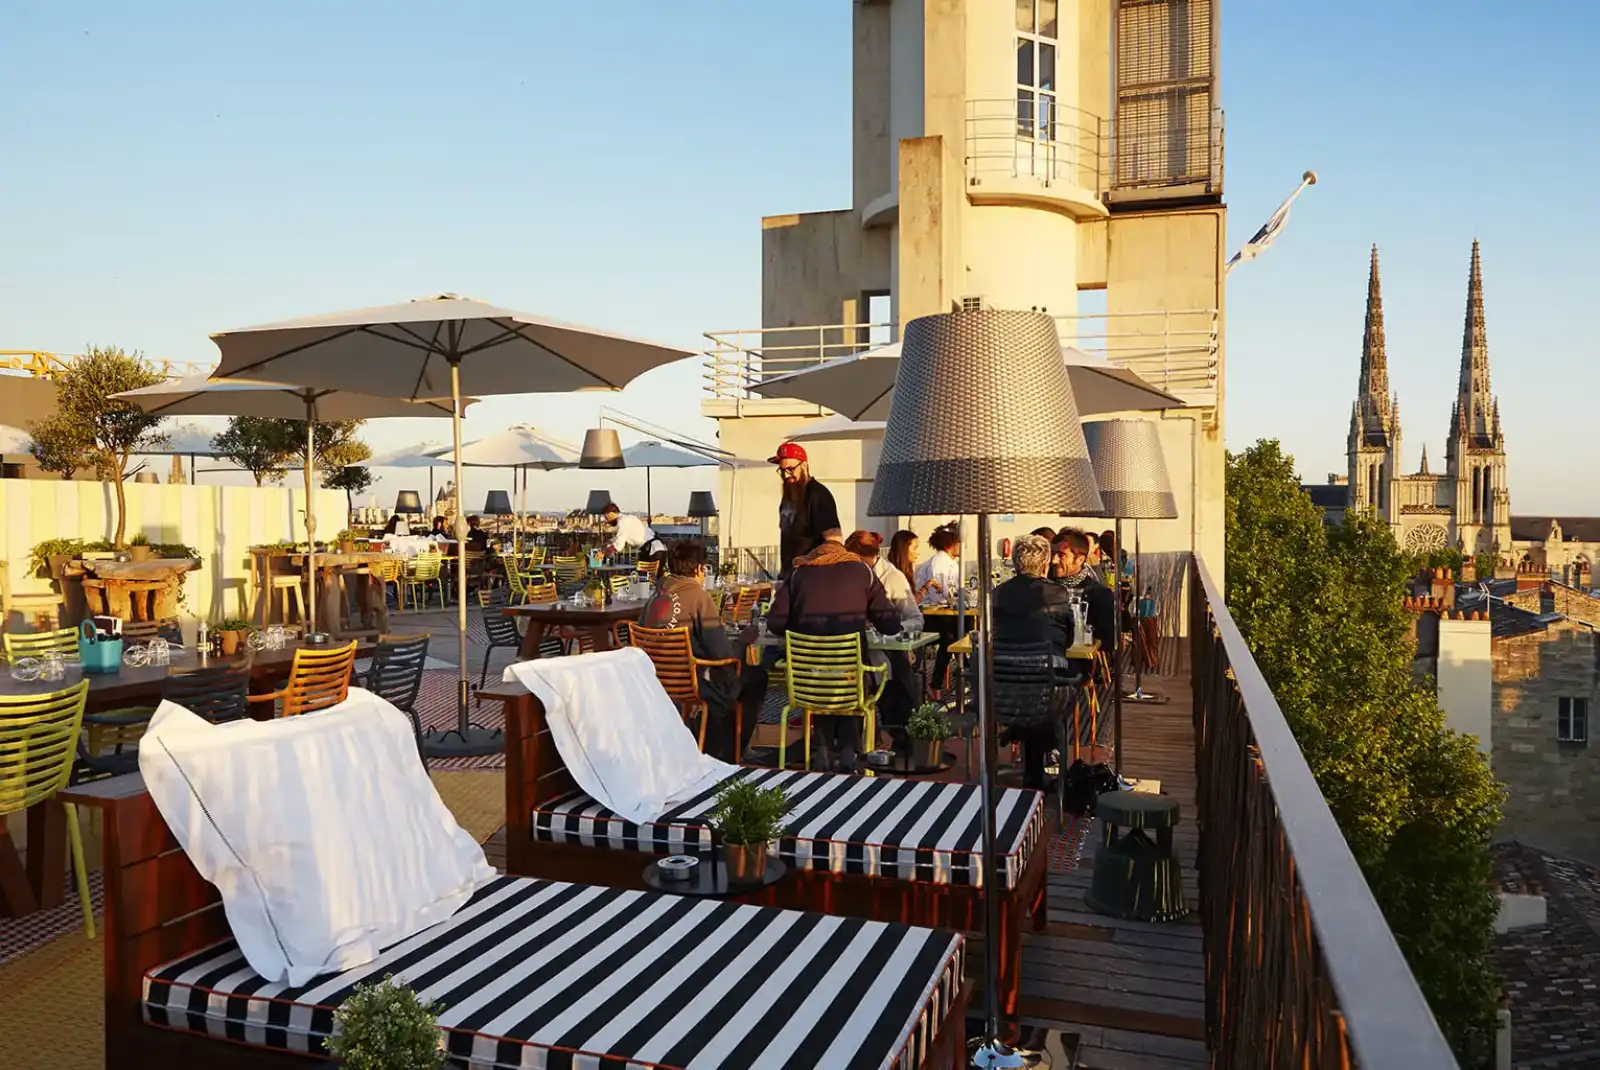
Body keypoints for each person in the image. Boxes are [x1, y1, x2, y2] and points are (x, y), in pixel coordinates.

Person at [765, 530, 900, 771]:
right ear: (846, 552)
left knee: (822, 679)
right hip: (851, 683)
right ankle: (848, 751)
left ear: (814, 553)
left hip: (807, 684)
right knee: (850, 680)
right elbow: (890, 625)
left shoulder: (798, 574)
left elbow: (775, 624)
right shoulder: (863, 572)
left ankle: (823, 750)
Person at [639, 540, 765, 762]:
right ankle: (731, 751)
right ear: (698, 568)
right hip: (690, 682)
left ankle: (701, 737)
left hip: (653, 682)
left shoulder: (655, 597)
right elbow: (723, 654)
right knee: (754, 677)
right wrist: (743, 641)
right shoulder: (698, 596)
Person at [992, 535, 1078, 790]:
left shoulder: (997, 593)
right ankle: (1037, 766)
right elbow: (1069, 638)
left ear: (1016, 565)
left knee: (1030, 683)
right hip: (1047, 693)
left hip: (1002, 693)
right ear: (1044, 565)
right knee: (1055, 685)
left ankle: (1019, 732)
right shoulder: (1057, 592)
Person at [846, 530, 921, 731]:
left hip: (882, 655)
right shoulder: (851, 577)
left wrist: (890, 630)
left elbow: (916, 619)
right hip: (854, 656)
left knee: (883, 673)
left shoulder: (892, 576)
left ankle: (894, 733)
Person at [770, 441, 840, 579]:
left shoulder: (818, 495)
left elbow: (835, 543)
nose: (786, 475)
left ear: (804, 466)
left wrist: (812, 566)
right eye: (782, 470)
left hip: (813, 578)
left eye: (790, 469)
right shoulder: (788, 498)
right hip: (790, 578)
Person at [914, 523, 961, 602]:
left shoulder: (951, 562)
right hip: (932, 612)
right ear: (948, 544)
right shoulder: (939, 563)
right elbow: (937, 598)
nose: (963, 545)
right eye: (958, 542)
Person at [601, 501, 665, 558]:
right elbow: (622, 536)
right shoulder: (629, 518)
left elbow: (619, 546)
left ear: (611, 514)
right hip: (659, 548)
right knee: (641, 570)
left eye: (607, 517)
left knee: (641, 570)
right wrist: (610, 541)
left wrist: (602, 552)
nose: (607, 521)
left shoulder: (623, 522)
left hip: (653, 551)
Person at [887, 530, 919, 594]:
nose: (917, 553)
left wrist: (926, 587)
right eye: (914, 548)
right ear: (904, 549)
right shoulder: (893, 574)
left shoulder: (906, 571)